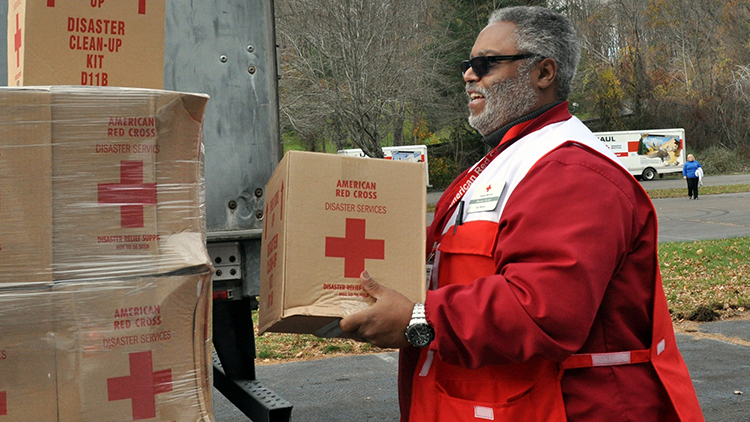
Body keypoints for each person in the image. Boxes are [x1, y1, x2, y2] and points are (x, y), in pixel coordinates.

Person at [340, 6, 704, 422]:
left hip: (573, 408)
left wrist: (417, 318)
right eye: (467, 64)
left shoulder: (572, 172)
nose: (468, 76)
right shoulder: (498, 165)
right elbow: (433, 261)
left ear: (544, 73)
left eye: (485, 64)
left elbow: (543, 309)